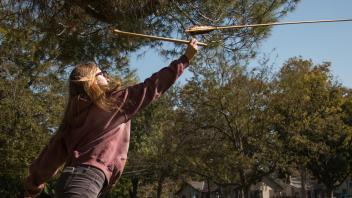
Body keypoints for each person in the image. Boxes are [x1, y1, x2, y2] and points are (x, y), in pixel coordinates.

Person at [24, 39, 198, 197]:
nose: (106, 76)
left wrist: (33, 184)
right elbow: (152, 87)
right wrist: (185, 59)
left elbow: (50, 155)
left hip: (70, 182)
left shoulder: (72, 117)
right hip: (84, 182)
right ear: (91, 81)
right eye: (102, 74)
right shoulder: (114, 102)